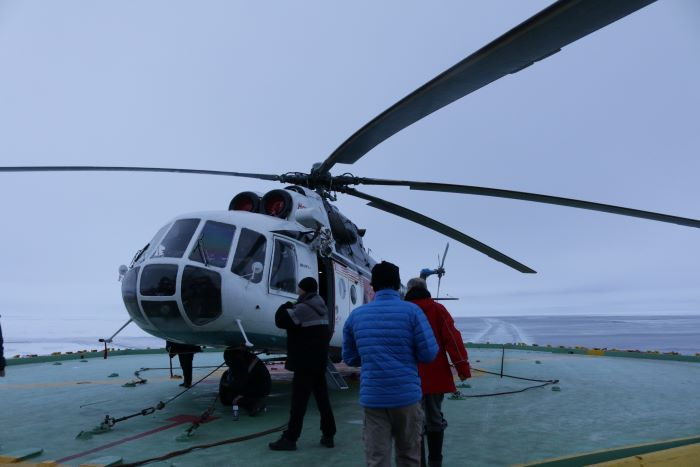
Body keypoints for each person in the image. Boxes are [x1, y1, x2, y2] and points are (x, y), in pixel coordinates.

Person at [343, 261, 438, 467]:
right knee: (409, 457)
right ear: (397, 285)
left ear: (373, 286)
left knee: (377, 459)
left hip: (374, 398)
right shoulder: (412, 312)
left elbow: (350, 358)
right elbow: (429, 353)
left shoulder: (356, 316)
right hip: (407, 398)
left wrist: (372, 357)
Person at [405, 277, 470, 467]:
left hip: (408, 377)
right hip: (435, 375)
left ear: (408, 291)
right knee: (434, 418)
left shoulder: (403, 311)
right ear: (426, 289)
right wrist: (462, 367)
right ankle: (435, 462)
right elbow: (453, 338)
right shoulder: (438, 309)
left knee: (414, 422)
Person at [269, 277, 336, 451]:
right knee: (323, 400)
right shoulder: (322, 308)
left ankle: (290, 438)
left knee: (298, 402)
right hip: (319, 361)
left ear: (303, 290)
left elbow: (280, 320)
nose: (297, 290)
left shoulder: (303, 308)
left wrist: (287, 304)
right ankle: (329, 435)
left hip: (304, 362)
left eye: (299, 288)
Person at [220, 347, 271, 416]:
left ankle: (254, 404)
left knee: (231, 397)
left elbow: (239, 384)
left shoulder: (245, 364)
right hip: (256, 385)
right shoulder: (246, 359)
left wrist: (227, 385)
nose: (226, 363)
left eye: (227, 360)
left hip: (259, 389)